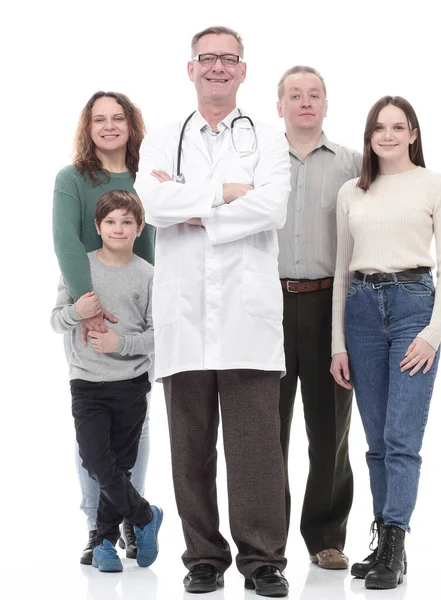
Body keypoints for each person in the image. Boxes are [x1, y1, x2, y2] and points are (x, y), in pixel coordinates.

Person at [135, 26, 290, 598]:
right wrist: (227, 193)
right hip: (184, 314)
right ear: (191, 68)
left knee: (255, 448)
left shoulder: (268, 140)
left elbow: (271, 207)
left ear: (243, 71)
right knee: (190, 446)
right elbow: (149, 204)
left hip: (246, 318)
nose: (218, 68)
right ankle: (203, 555)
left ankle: (263, 561)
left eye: (229, 59)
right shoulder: (161, 139)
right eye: (208, 59)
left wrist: (190, 200)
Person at [330, 96, 441, 589]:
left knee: (402, 439)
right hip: (361, 310)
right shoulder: (352, 191)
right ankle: (383, 541)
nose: (387, 135)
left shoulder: (435, 186)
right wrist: (337, 343)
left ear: (412, 134)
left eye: (397, 127)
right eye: (378, 128)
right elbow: (342, 269)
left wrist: (432, 333)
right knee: (376, 441)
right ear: (369, 137)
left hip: (412, 308)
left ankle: (396, 543)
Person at [52, 91, 155, 564]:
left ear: (131, 126)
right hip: (87, 317)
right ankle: (100, 529)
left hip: (132, 321)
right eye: (99, 119)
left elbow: (151, 245)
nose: (109, 126)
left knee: (133, 435)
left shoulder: (145, 178)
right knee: (91, 440)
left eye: (118, 118)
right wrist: (85, 305)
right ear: (87, 127)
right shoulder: (72, 179)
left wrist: (140, 311)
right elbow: (66, 240)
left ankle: (130, 524)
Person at [276, 66, 361, 569]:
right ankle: (267, 540)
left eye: (314, 95)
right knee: (268, 429)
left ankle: (326, 537)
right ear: (279, 105)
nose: (304, 102)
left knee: (330, 429)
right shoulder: (261, 161)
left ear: (326, 106)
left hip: (332, 304)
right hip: (268, 303)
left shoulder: (351, 164)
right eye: (294, 95)